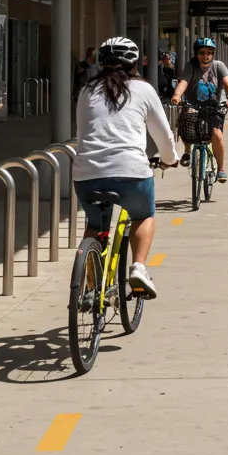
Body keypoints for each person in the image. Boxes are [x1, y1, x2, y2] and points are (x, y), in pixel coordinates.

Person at [73, 36, 180, 299]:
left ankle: (90, 287)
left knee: (96, 224)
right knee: (143, 215)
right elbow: (163, 135)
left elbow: (83, 130)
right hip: (130, 171)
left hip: (87, 173)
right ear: (135, 63)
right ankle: (139, 267)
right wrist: (170, 159)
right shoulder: (143, 89)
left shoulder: (87, 90)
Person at [171, 37, 228, 183]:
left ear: (213, 54)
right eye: (202, 53)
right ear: (196, 54)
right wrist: (177, 95)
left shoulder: (219, 66)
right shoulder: (191, 66)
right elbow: (184, 82)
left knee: (217, 135)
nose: (205, 56)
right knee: (185, 123)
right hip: (193, 105)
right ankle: (187, 151)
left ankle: (221, 169)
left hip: (214, 107)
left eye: (209, 53)